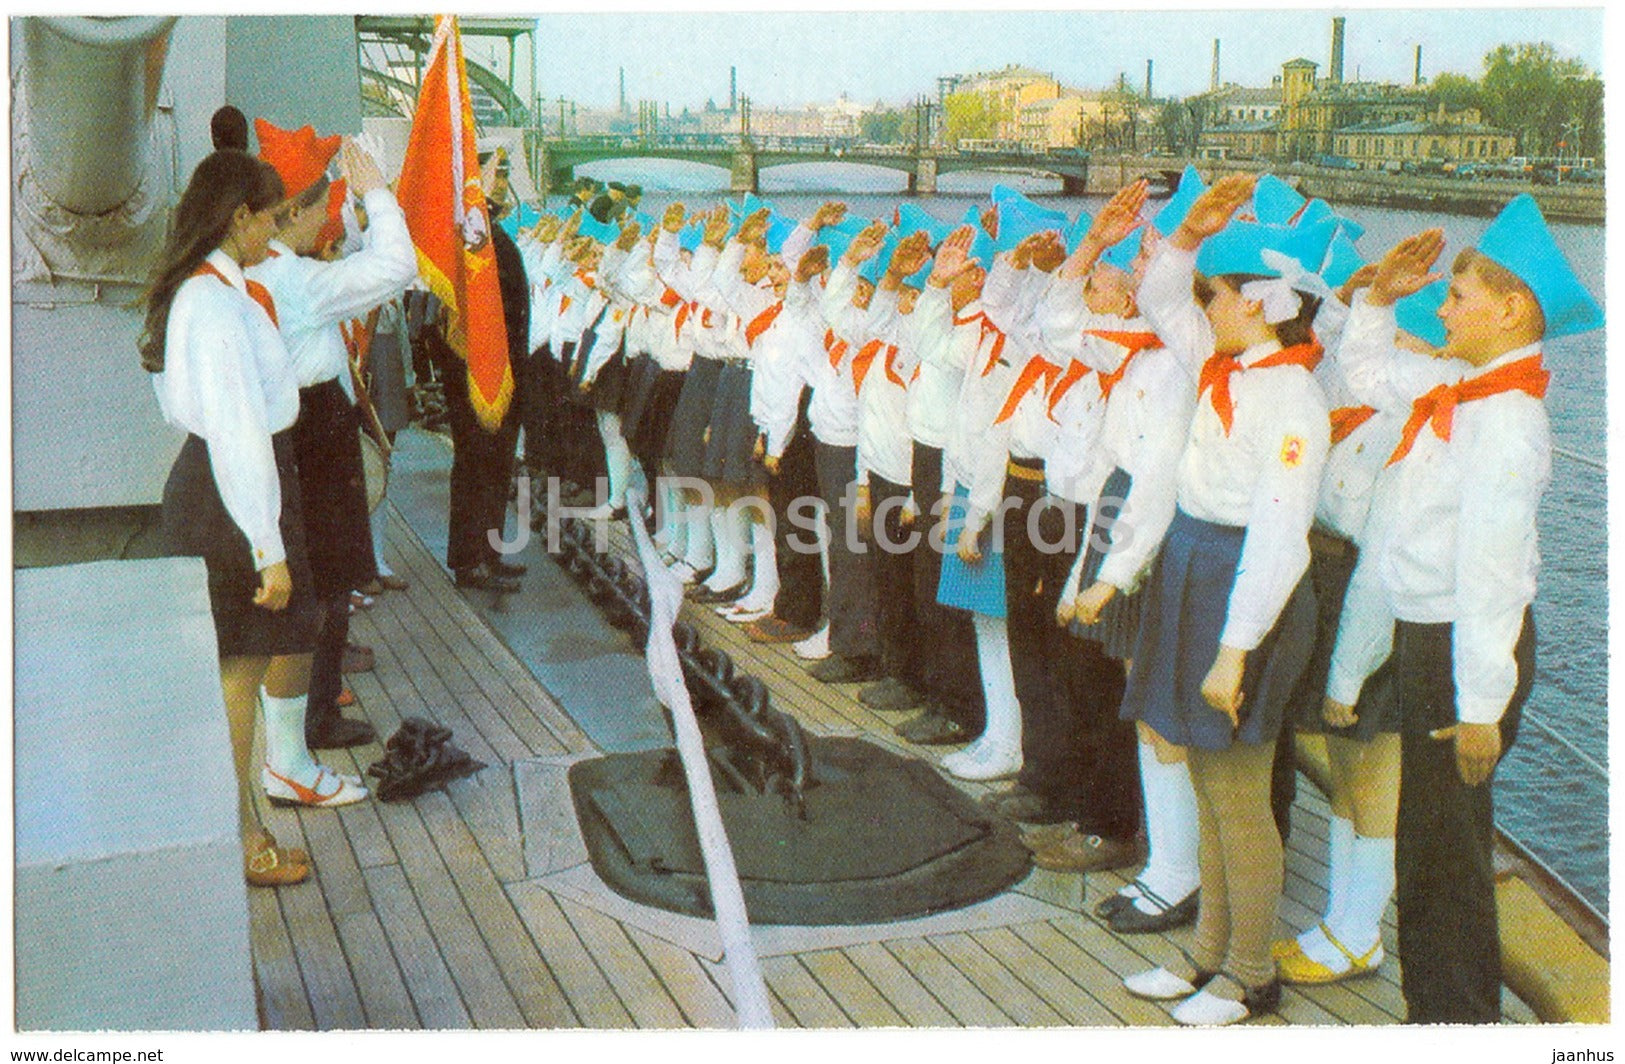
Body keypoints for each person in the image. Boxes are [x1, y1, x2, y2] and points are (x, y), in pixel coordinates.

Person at [1323, 195, 1601, 1023]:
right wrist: (1377, 298)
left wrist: (1481, 708)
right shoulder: (1457, 387)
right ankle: (1439, 1014)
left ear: (1511, 310)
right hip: (1426, 642)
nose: (1437, 310)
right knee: (1426, 848)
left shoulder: (1507, 422)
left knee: (1443, 858)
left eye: (1454, 297)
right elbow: (1365, 374)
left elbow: (1492, 577)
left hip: (1463, 655)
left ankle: (1454, 1021)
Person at [1118, 174, 1334, 1025]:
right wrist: (1188, 233)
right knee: (1206, 778)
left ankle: (1251, 974)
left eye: (1215, 293)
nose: (1199, 305)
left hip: (1246, 588)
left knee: (1239, 792)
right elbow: (1160, 293)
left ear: (1262, 301)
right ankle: (1207, 952)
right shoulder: (1227, 365)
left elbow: (1280, 541)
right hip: (1195, 564)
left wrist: (1234, 649)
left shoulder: (1290, 398)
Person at [143, 150, 368, 890]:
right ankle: (238, 840)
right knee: (237, 676)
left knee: (232, 672)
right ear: (239, 215)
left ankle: (237, 827)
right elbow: (238, 429)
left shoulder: (209, 290)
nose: (275, 232)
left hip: (221, 486)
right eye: (269, 216)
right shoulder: (214, 305)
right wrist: (268, 547)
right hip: (231, 497)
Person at [249, 120, 416, 750]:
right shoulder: (294, 280)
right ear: (294, 211)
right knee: (328, 580)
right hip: (314, 430)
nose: (328, 217)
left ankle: (303, 713)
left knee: (318, 576)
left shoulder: (264, 266)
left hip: (297, 425)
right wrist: (376, 193)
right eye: (322, 205)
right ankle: (315, 718)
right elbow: (396, 264)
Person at [432, 149, 528, 592]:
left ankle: (488, 551)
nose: (505, 179)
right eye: (498, 172)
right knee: (476, 463)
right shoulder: (474, 235)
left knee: (495, 465)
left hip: (502, 370)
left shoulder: (492, 232)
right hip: (476, 371)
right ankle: (470, 561)